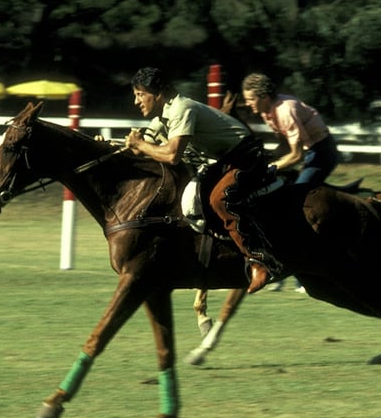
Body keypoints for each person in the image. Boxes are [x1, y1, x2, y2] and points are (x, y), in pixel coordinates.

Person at [124, 67, 277, 294]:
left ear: (157, 94)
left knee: (219, 199)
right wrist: (113, 145)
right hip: (224, 161)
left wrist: (140, 144)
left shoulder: (181, 108)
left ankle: (260, 261)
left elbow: (171, 155)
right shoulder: (162, 116)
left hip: (244, 156)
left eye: (140, 94)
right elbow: (143, 146)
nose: (136, 101)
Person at [241, 72, 343, 293]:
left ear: (263, 96)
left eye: (250, 99)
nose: (248, 104)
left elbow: (295, 155)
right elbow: (285, 147)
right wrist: (264, 160)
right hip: (307, 152)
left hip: (320, 154)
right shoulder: (268, 112)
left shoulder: (285, 110)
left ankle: (304, 274)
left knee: (295, 207)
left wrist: (272, 167)